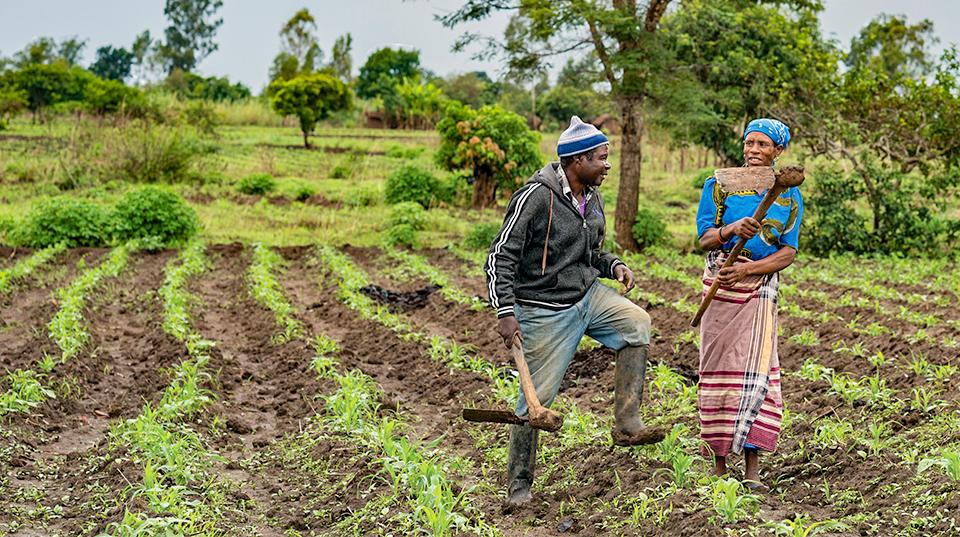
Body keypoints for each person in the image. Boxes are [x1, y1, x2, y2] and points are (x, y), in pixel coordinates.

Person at [484, 116, 666, 510]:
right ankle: (519, 485)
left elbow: (591, 252)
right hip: (545, 308)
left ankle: (626, 423)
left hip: (587, 295)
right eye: (602, 158)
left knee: (637, 323)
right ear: (577, 159)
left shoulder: (591, 195)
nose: (608, 165)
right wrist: (505, 311)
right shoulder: (535, 196)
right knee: (535, 401)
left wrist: (613, 265)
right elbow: (501, 255)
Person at [695, 118, 803, 490]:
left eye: (762, 145)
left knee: (758, 374)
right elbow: (705, 238)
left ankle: (753, 470)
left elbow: (788, 250)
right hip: (721, 283)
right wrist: (730, 231)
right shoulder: (720, 184)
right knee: (718, 372)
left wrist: (751, 270)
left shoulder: (788, 194)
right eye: (749, 143)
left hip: (758, 289)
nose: (754, 150)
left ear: (778, 152)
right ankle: (720, 467)